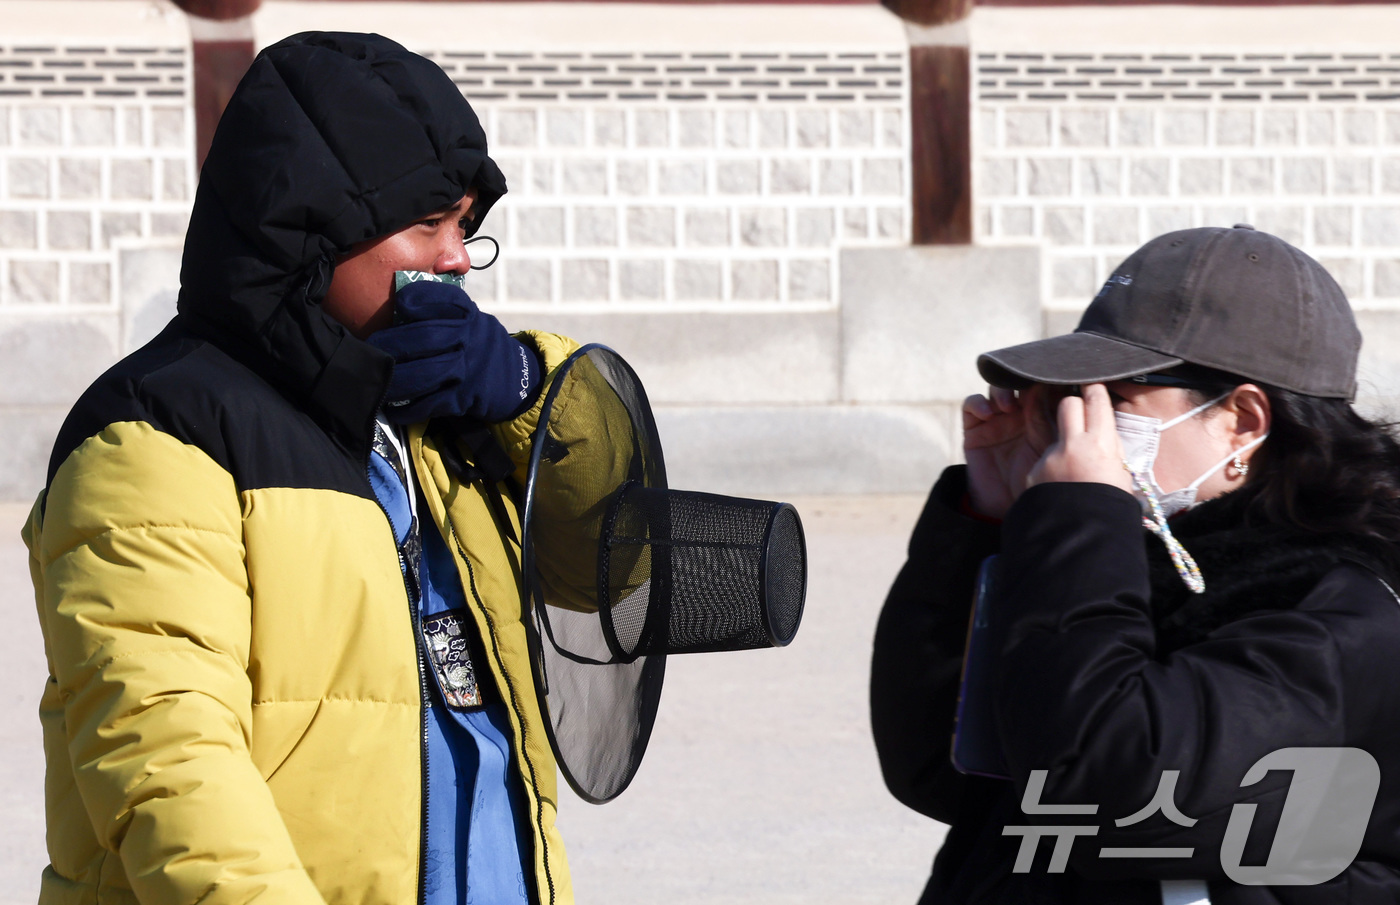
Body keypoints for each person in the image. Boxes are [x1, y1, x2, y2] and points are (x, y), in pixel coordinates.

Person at [24, 32, 587, 905]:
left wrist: (527, 393)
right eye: (428, 223)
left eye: (468, 230)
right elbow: (173, 772)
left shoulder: (441, 421)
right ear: (317, 237)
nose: (453, 259)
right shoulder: (155, 436)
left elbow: (617, 566)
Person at [870, 225, 1400, 903]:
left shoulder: (1339, 618)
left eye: (1111, 403)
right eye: (1065, 400)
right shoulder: (1141, 559)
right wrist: (992, 530)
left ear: (1241, 419)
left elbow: (1107, 785)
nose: (1075, 428)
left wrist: (1077, 516)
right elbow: (942, 770)